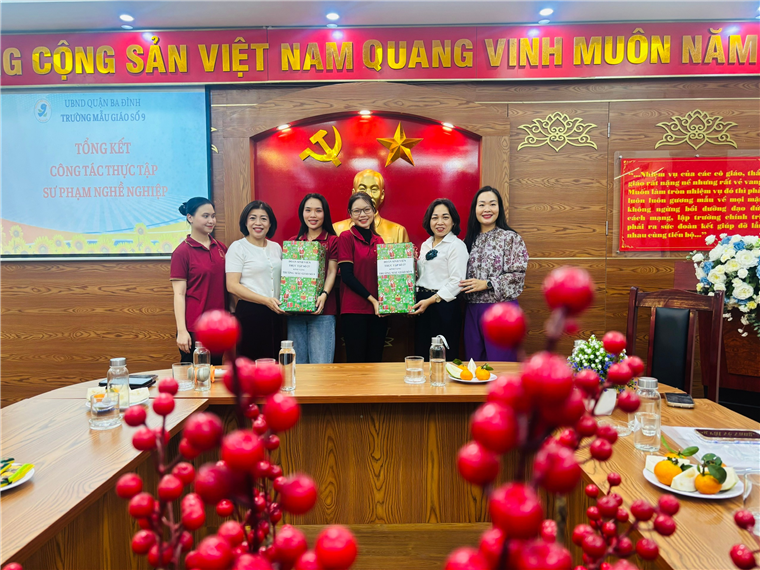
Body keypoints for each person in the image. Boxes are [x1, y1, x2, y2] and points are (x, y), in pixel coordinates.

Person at [460, 186, 528, 362]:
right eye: (482, 204)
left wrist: (487, 283)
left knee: (501, 364)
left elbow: (518, 276)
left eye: (492, 204)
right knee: (474, 365)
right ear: (475, 209)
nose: (487, 209)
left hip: (501, 310)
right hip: (472, 310)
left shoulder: (511, 238)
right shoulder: (467, 242)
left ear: (499, 208)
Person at [170, 197, 227, 365]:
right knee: (195, 377)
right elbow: (179, 294)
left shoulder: (221, 248)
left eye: (213, 216)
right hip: (194, 329)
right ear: (190, 217)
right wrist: (182, 331)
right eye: (205, 216)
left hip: (218, 327)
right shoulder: (182, 252)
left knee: (215, 374)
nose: (211, 221)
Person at [225, 200, 284, 361]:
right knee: (250, 362)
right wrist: (265, 300)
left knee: (274, 361)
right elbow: (232, 285)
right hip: (250, 312)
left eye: (263, 219)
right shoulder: (238, 247)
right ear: (245, 222)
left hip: (276, 313)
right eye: (252, 218)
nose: (258, 223)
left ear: (270, 223)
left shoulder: (276, 247)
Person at [412, 198, 468, 360]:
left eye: (445, 217)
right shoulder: (426, 244)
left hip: (443, 306)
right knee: (422, 353)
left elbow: (457, 282)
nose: (439, 222)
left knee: (443, 356)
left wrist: (431, 300)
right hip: (423, 304)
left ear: (453, 221)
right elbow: (424, 276)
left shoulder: (456, 245)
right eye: (435, 217)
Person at [286, 193, 339, 363]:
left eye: (318, 210)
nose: (313, 215)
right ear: (302, 213)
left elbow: (332, 271)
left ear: (325, 214)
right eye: (308, 210)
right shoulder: (293, 242)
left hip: (323, 311)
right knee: (296, 365)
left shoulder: (333, 241)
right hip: (295, 312)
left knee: (321, 366)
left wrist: (324, 294)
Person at [338, 191, 387, 362]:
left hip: (379, 311)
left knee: (375, 361)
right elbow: (347, 276)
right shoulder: (346, 237)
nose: (362, 215)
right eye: (357, 211)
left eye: (366, 209)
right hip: (354, 311)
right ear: (350, 214)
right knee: (356, 363)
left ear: (374, 211)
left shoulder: (379, 241)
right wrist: (373, 300)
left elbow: (386, 276)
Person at [333, 169, 410, 244]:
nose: (369, 195)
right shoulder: (337, 229)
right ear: (354, 193)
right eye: (362, 189)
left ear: (382, 195)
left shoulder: (398, 232)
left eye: (374, 190)